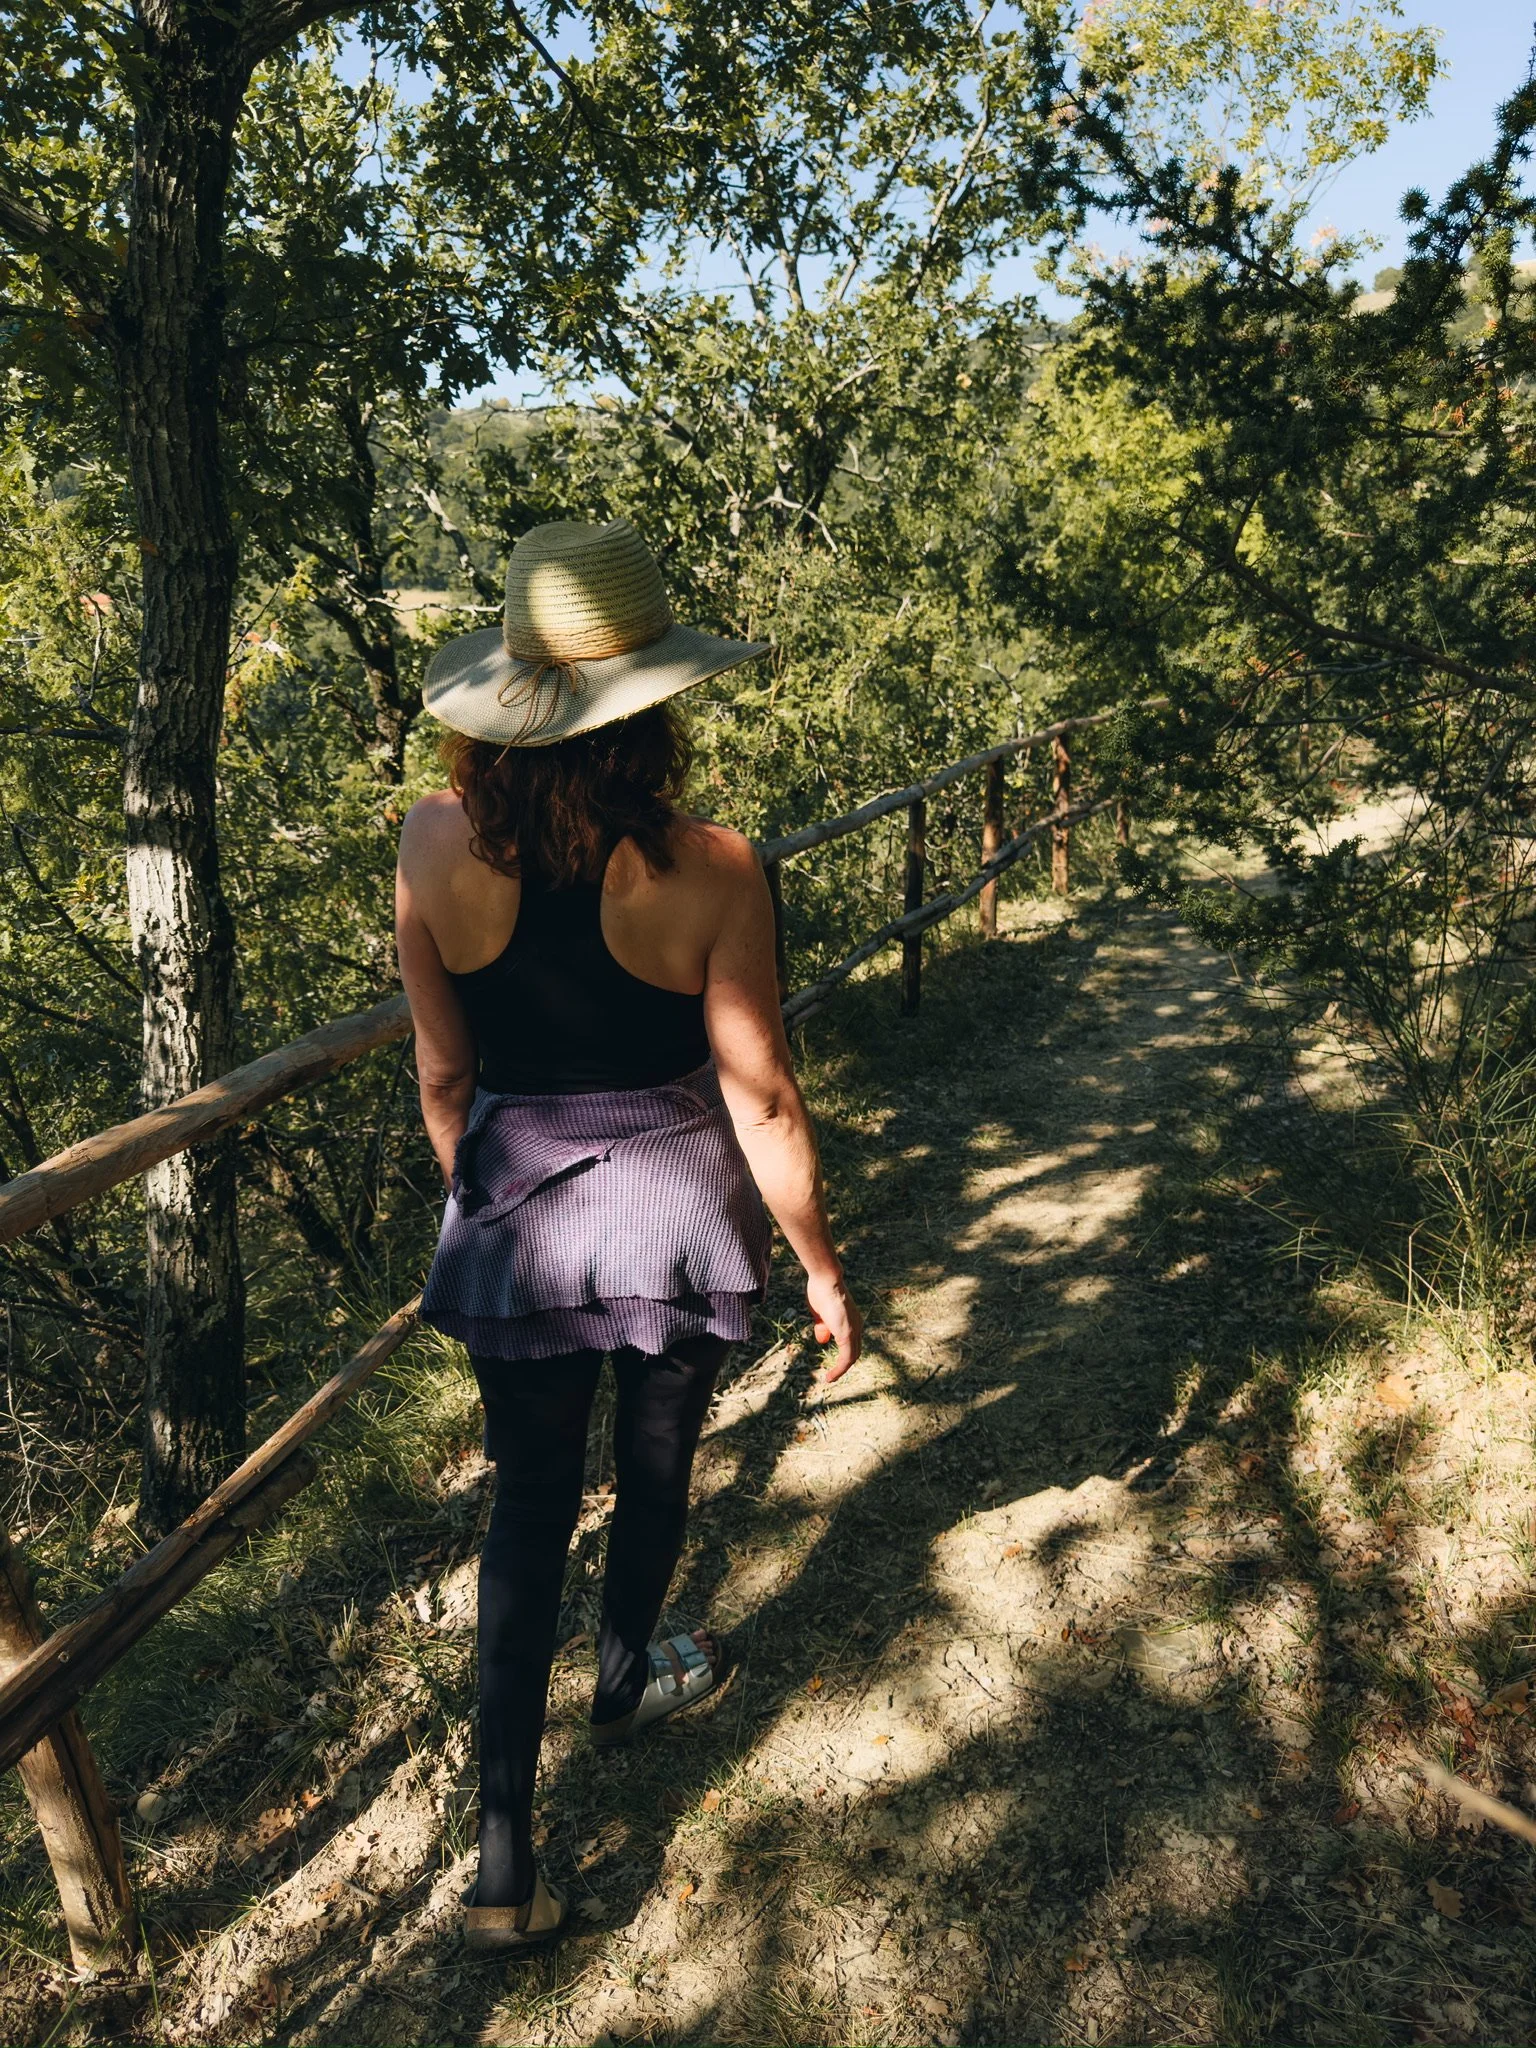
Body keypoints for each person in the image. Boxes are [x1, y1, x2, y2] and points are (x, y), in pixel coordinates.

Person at [395, 517, 863, 1954]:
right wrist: (824, 1269)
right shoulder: (717, 867)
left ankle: (500, 1866)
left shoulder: (426, 841)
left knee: (526, 1512)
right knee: (656, 1459)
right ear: (651, 709)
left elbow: (442, 1078)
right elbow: (763, 1095)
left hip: (518, 1215)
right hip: (676, 1214)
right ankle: (622, 1676)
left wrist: (491, 1195)